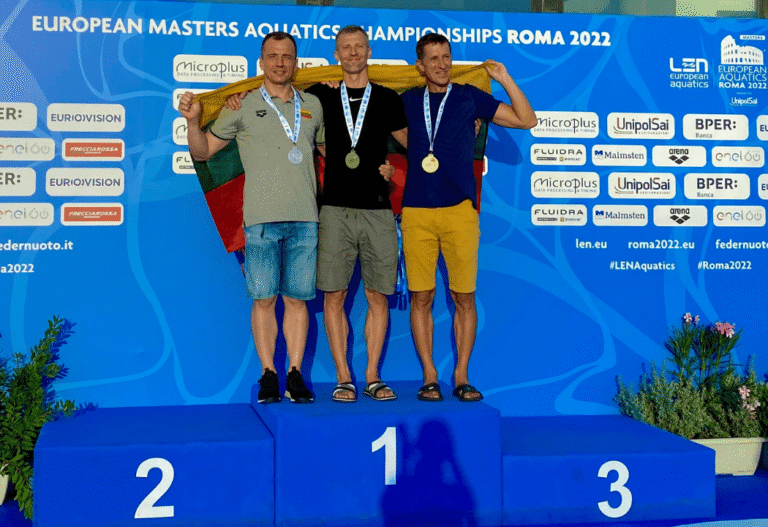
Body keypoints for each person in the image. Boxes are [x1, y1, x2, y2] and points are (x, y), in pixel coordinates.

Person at [226, 26, 408, 403]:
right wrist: (234, 97)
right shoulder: (320, 95)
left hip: (378, 209)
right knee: (332, 297)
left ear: (369, 51)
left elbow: (417, 142)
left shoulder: (387, 98)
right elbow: (277, 87)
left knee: (377, 296)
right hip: (332, 210)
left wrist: (464, 126)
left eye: (359, 47)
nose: (353, 53)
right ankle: (342, 377)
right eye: (345, 48)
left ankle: (372, 376)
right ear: (336, 55)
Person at [178, 31, 325, 404]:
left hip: (306, 219)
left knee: (298, 301)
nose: (279, 62)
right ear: (261, 62)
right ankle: (269, 374)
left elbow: (332, 152)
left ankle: (295, 374)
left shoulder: (313, 104)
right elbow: (204, 152)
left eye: (286, 56)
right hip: (259, 221)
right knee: (264, 300)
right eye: (272, 56)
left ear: (296, 63)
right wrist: (193, 122)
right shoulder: (240, 105)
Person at [400, 33, 537, 402]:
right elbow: (375, 118)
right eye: (433, 58)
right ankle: (430, 375)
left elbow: (527, 119)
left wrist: (504, 78)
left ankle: (461, 374)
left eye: (446, 57)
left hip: (461, 211)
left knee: (464, 296)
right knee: (422, 296)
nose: (441, 64)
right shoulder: (407, 100)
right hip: (416, 211)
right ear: (420, 66)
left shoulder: (468, 97)